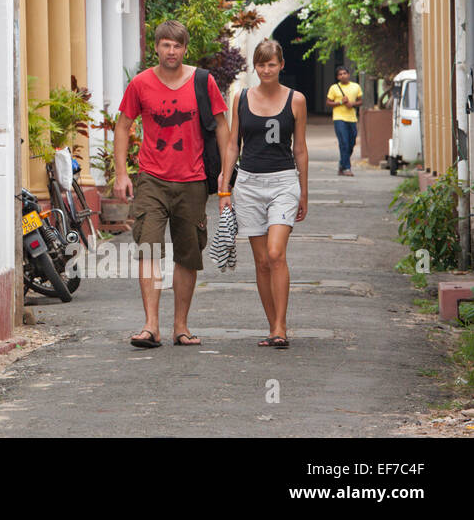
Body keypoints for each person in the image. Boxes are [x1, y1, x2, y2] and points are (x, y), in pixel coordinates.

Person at [114, 20, 228, 349]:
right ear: (157, 48)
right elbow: (123, 126)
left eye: (177, 46)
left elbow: (222, 126)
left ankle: (181, 326)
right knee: (149, 247)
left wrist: (224, 173)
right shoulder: (141, 83)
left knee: (188, 255)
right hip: (152, 178)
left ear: (185, 50)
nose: (171, 51)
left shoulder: (203, 82)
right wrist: (122, 174)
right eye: (165, 45)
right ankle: (151, 325)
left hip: (192, 179)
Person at [219, 39, 308, 349]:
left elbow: (301, 148)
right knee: (260, 262)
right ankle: (273, 327)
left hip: (284, 181)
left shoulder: (296, 100)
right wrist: (224, 187)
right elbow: (233, 145)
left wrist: (304, 192)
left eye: (272, 64)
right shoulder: (241, 97)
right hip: (248, 184)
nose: (267, 69)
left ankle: (282, 324)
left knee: (275, 253)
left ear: (281, 65)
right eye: (261, 64)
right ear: (254, 66)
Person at [327, 65, 363, 176]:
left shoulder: (356, 86)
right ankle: (347, 168)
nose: (343, 76)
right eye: (340, 74)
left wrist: (352, 104)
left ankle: (342, 164)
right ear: (338, 77)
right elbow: (329, 102)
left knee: (352, 143)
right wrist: (340, 102)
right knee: (344, 143)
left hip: (352, 118)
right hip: (339, 118)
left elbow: (360, 101)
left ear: (348, 74)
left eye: (344, 73)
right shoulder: (334, 88)